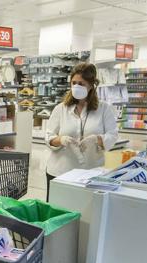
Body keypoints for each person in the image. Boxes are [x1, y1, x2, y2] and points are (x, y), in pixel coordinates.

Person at [45, 63, 119, 200]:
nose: (76, 87)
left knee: (84, 214)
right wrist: (60, 140)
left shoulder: (104, 109)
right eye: (73, 83)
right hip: (60, 172)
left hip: (90, 175)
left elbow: (113, 135)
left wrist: (97, 139)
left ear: (91, 85)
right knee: (57, 212)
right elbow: (49, 136)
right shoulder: (60, 109)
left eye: (81, 83)